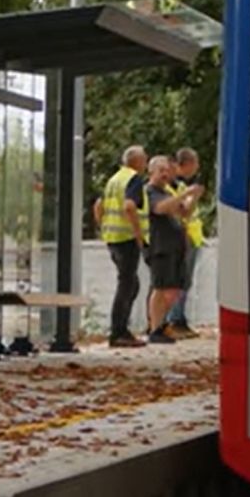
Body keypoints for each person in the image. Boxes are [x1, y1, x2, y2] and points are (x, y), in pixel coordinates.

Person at [92, 145, 149, 348]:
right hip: (126, 239)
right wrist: (138, 234)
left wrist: (103, 228)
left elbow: (99, 205)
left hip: (113, 238)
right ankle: (118, 333)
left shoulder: (114, 179)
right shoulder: (133, 179)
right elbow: (129, 206)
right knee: (127, 284)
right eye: (145, 159)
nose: (146, 163)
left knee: (131, 284)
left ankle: (121, 329)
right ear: (137, 162)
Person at [144, 156, 203, 344]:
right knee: (160, 287)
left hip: (176, 247)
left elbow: (184, 212)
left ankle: (161, 324)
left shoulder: (167, 192)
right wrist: (183, 195)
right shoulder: (150, 192)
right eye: (160, 170)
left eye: (167, 170)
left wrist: (194, 197)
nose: (165, 173)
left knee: (175, 288)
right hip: (160, 246)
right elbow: (160, 209)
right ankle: (155, 328)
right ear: (151, 172)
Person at [163, 147, 207, 339]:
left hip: (188, 238)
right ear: (187, 163)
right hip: (181, 239)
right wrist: (194, 197)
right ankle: (175, 320)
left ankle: (176, 319)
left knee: (183, 281)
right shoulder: (173, 187)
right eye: (195, 163)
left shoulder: (179, 186)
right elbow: (184, 212)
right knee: (179, 281)